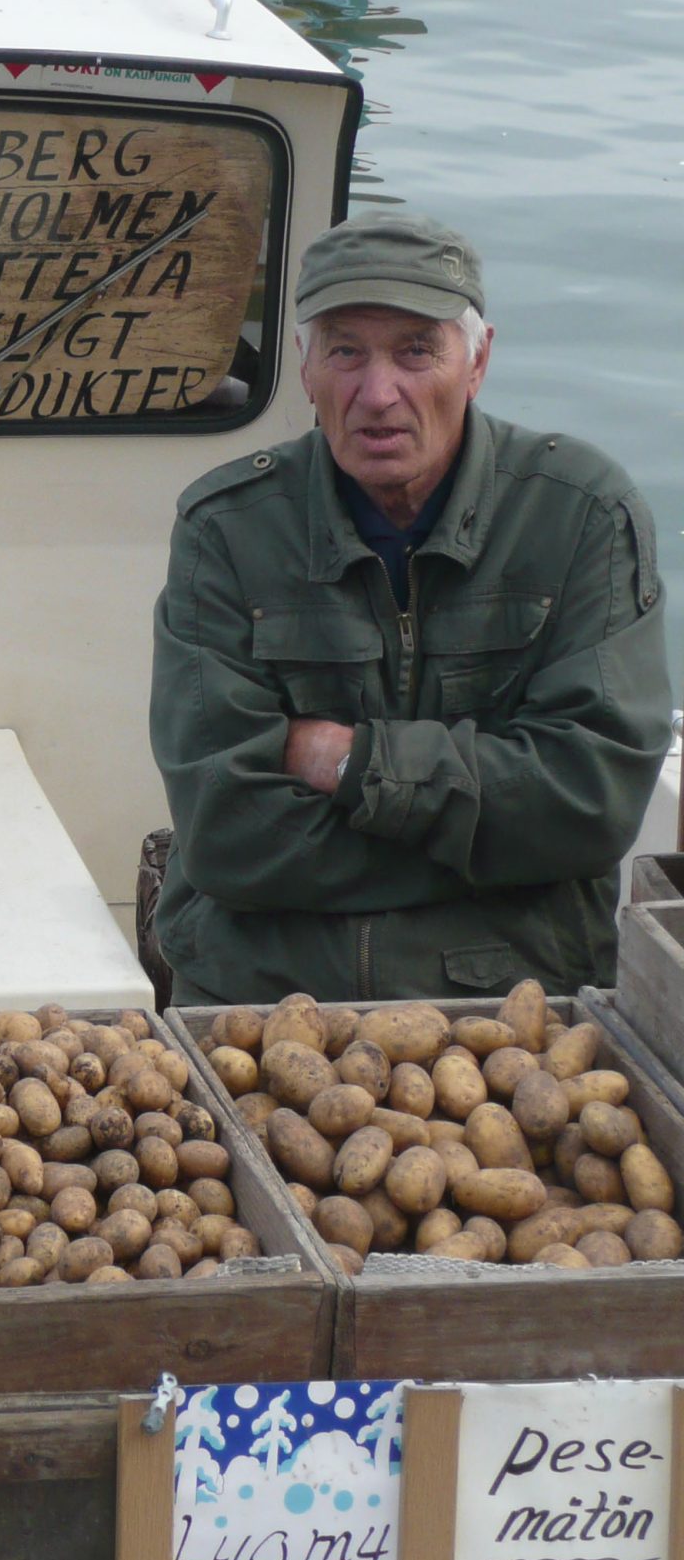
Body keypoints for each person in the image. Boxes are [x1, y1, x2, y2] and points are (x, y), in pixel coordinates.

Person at [149, 212, 673, 1003]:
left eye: (416, 350)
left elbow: (590, 805)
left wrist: (346, 761)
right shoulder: (225, 527)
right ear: (304, 366)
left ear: (478, 359)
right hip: (263, 996)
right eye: (346, 350)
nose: (377, 392)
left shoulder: (580, 516)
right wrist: (485, 842)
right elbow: (227, 838)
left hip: (512, 995)